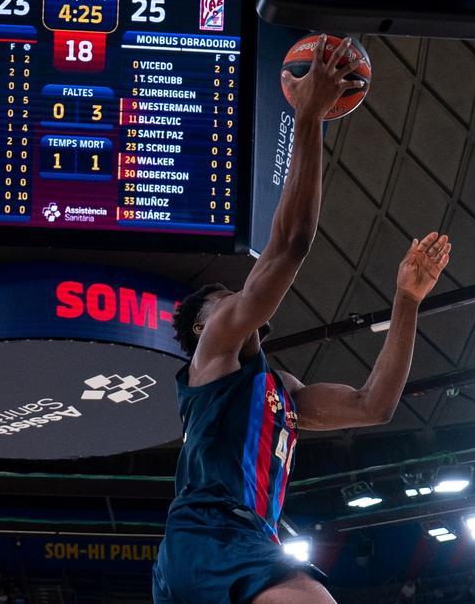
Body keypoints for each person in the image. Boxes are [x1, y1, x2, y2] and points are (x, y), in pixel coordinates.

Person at [152, 35, 452, 604]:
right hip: (211, 537)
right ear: (201, 324)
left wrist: (407, 301)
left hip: (232, 544)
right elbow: (290, 245)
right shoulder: (213, 349)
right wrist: (309, 117)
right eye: (225, 294)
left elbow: (374, 406)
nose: (240, 298)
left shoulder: (280, 392)